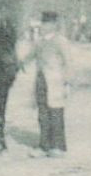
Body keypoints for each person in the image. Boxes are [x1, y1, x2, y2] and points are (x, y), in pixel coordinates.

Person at [21, 11, 72, 157]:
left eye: (46, 23)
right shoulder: (39, 41)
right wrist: (17, 62)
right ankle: (44, 146)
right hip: (41, 81)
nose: (43, 26)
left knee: (56, 113)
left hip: (56, 83)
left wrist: (67, 83)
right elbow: (29, 56)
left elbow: (68, 63)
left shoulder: (61, 41)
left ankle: (58, 147)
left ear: (54, 25)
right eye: (43, 23)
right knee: (42, 113)